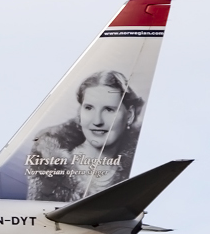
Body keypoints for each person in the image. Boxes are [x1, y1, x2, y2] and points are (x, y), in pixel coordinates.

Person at [26, 70, 144, 201]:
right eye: (88, 108)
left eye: (109, 109)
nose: (97, 121)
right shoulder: (51, 169)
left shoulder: (139, 168)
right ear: (80, 113)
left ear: (130, 115)